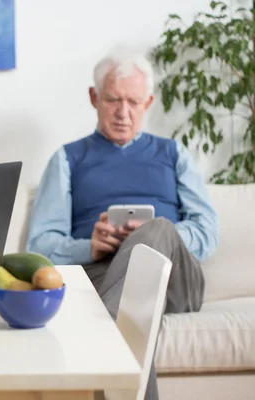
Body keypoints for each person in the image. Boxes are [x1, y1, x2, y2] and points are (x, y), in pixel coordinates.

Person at [25, 49, 218, 400]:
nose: (123, 112)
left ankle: (106, 330)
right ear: (94, 98)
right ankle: (116, 329)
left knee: (158, 229)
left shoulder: (173, 154)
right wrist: (89, 246)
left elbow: (207, 232)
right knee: (134, 310)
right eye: (113, 99)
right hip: (104, 274)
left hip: (174, 280)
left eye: (133, 101)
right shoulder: (68, 159)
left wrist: (154, 235)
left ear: (148, 102)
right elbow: (40, 245)